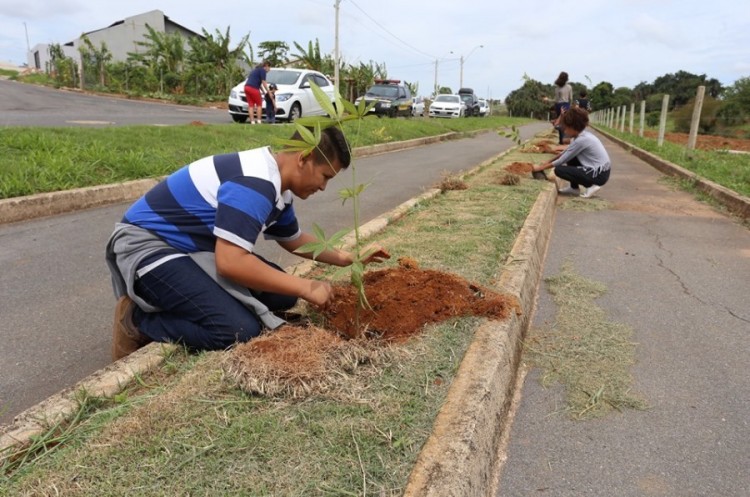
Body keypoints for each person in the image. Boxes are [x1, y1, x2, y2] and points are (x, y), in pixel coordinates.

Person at [105, 126, 390, 360]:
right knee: (237, 330)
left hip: (192, 249)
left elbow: (293, 240)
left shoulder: (278, 185)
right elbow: (230, 262)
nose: (324, 187)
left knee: (282, 296)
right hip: (150, 247)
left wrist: (349, 258)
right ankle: (137, 319)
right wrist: (307, 286)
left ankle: (190, 296)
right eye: (325, 176)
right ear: (303, 158)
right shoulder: (255, 182)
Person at [532, 106, 611, 198]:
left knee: (559, 170)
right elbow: (565, 153)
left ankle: (591, 186)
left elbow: (561, 160)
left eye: (566, 127)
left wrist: (539, 168)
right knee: (572, 157)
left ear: (573, 126)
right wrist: (546, 163)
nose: (564, 130)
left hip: (599, 174)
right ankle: (574, 188)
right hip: (599, 171)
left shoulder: (582, 140)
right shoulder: (580, 136)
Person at [544, 71, 573, 145]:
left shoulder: (557, 88)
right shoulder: (569, 87)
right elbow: (570, 98)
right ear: (567, 79)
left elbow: (556, 100)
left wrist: (548, 100)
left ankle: (561, 140)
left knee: (560, 124)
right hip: (566, 105)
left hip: (558, 106)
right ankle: (566, 140)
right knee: (566, 123)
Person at [244, 60, 271, 125]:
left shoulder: (255, 70)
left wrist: (264, 92)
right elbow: (264, 82)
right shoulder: (262, 71)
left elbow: (259, 84)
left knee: (251, 105)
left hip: (246, 87)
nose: (270, 69)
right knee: (259, 104)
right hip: (253, 88)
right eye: (269, 67)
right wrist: (268, 92)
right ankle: (259, 121)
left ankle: (252, 122)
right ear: (266, 66)